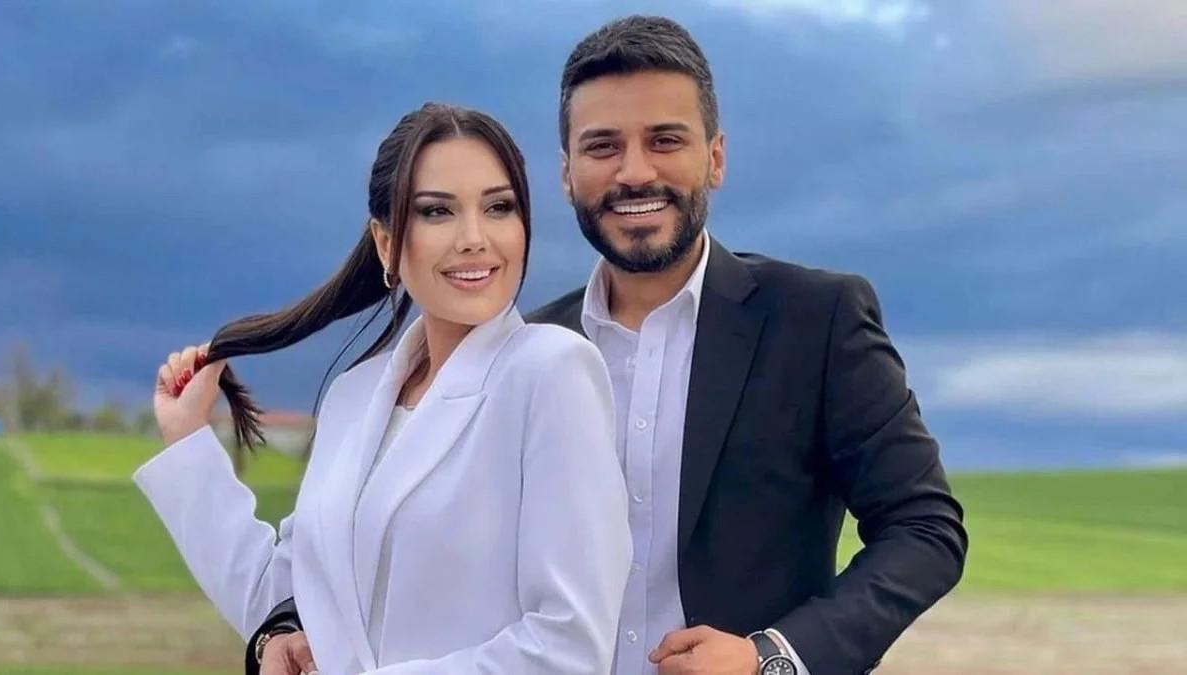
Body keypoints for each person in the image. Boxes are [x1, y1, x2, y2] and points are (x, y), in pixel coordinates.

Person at [251, 15, 969, 675]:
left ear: (716, 158)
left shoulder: (816, 319)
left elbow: (925, 527)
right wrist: (288, 622)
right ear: (567, 174)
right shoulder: (524, 355)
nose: (634, 172)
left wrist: (771, 657)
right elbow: (389, 537)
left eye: (665, 140)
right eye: (603, 146)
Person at [133, 102, 633, 675]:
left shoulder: (553, 371)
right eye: (437, 211)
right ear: (385, 242)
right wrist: (188, 442)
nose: (475, 238)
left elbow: (570, 646)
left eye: (499, 207)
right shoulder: (354, 395)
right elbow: (286, 595)